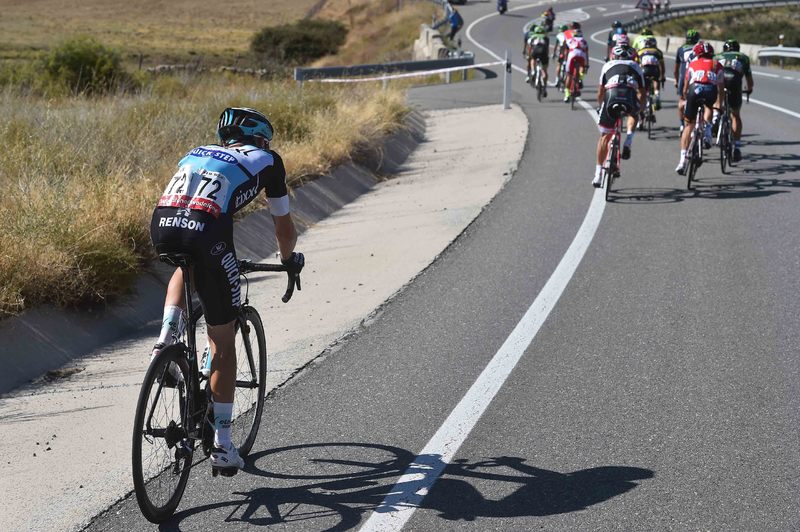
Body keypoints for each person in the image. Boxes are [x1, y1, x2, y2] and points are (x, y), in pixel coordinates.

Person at [150, 107, 305, 475]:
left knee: (185, 265)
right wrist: (288, 260)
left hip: (162, 226)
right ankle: (222, 444)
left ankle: (165, 339)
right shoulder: (268, 160)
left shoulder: (197, 151)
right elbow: (284, 227)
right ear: (261, 139)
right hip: (207, 233)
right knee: (222, 340)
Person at [593, 45, 646, 187]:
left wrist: (600, 107)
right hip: (628, 95)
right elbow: (642, 92)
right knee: (633, 114)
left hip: (611, 95)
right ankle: (628, 140)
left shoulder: (607, 65)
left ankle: (598, 174)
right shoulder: (636, 66)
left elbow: (600, 92)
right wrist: (640, 110)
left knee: (605, 136)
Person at [676, 41, 724, 174]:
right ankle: (708, 131)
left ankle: (682, 161)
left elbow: (685, 85)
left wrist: (684, 96)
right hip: (710, 91)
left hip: (694, 90)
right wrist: (719, 106)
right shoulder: (717, 64)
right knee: (709, 105)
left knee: (688, 126)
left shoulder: (692, 64)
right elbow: (720, 88)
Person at [715, 39, 754, 162]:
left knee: (716, 102)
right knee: (735, 115)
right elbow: (749, 79)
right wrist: (749, 89)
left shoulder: (717, 56)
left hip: (720, 80)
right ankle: (737, 147)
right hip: (734, 82)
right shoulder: (744, 58)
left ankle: (715, 116)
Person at [674, 29, 701, 131]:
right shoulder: (700, 49)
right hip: (697, 78)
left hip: (684, 78)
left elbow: (676, 70)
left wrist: (676, 81)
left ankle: (682, 125)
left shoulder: (681, 49)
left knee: (682, 101)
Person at [635, 35, 665, 110]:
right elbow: (662, 66)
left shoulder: (640, 51)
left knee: (642, 88)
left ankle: (641, 104)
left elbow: (636, 64)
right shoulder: (658, 51)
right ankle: (657, 95)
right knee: (656, 79)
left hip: (644, 70)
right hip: (654, 70)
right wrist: (662, 76)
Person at [563, 26, 588, 103]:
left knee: (569, 74)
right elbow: (586, 53)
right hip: (582, 55)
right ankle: (580, 79)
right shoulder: (584, 41)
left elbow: (566, 51)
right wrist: (586, 65)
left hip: (572, 55)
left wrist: (565, 60)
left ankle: (567, 95)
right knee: (582, 68)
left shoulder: (570, 40)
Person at [526, 25, 550, 95]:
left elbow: (530, 48)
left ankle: (533, 71)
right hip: (543, 52)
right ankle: (544, 88)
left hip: (535, 51)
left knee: (532, 59)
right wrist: (547, 56)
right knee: (544, 70)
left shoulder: (533, 37)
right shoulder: (546, 38)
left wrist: (529, 55)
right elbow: (547, 48)